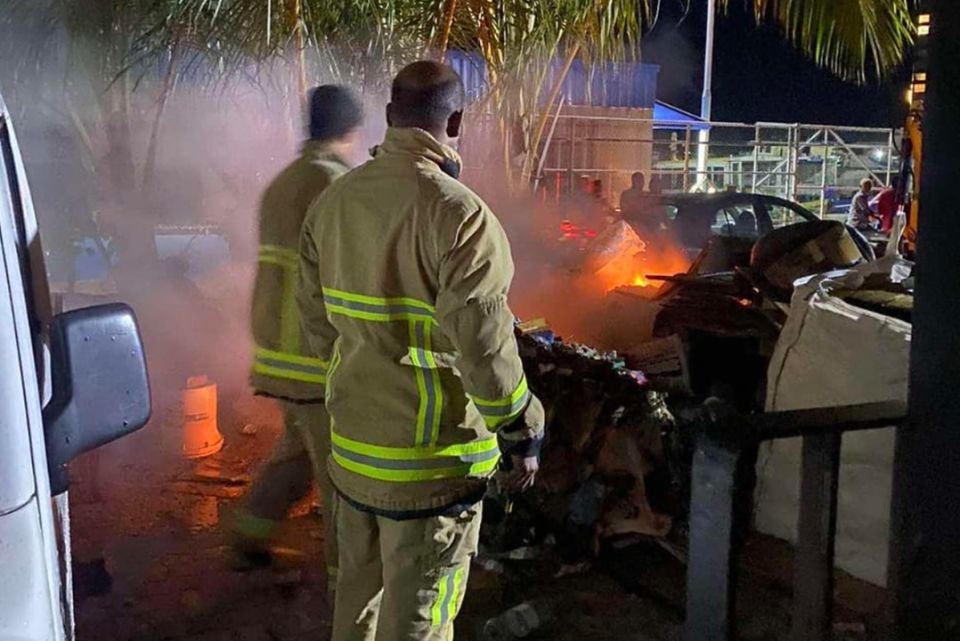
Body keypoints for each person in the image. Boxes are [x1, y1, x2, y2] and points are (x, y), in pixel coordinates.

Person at [298, 61, 545, 641]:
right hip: (432, 463)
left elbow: (317, 322)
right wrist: (519, 428)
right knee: (420, 619)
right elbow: (485, 347)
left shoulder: (333, 203)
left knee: (357, 604)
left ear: (388, 116)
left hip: (355, 451)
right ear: (456, 120)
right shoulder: (459, 215)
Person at [231, 85, 364, 587]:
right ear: (351, 132)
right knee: (341, 481)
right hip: (316, 358)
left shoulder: (283, 183)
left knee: (293, 454)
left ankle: (248, 538)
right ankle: (344, 586)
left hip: (279, 353)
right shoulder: (335, 184)